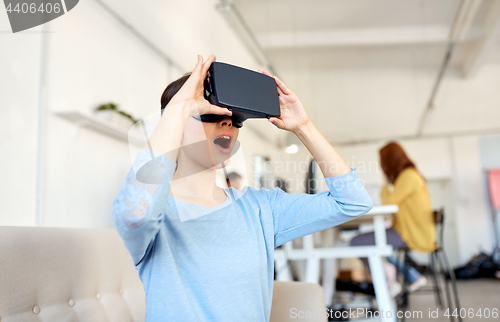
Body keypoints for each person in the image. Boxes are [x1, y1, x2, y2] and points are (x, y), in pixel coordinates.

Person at [112, 54, 373, 321]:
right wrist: (178, 109)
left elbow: (353, 202)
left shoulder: (260, 208)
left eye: (236, 118)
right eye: (208, 113)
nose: (227, 122)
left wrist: (303, 127)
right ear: (175, 123)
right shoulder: (156, 213)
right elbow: (135, 213)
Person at [351, 142, 435, 294]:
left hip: (411, 234)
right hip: (407, 231)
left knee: (356, 242)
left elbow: (388, 203)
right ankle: (408, 277)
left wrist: (384, 184)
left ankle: (387, 285)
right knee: (377, 243)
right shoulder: (408, 176)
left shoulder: (408, 176)